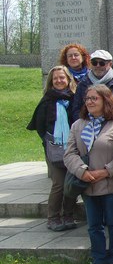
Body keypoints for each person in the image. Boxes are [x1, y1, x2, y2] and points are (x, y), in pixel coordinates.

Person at [63, 84, 113, 264]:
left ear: (105, 100)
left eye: (94, 98)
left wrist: (106, 171)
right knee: (94, 225)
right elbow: (70, 153)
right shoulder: (78, 125)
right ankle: (98, 259)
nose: (89, 102)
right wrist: (81, 171)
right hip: (87, 184)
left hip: (110, 184)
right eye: (87, 98)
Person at [27, 65, 78, 231]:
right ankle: (53, 217)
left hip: (73, 148)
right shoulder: (47, 101)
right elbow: (40, 126)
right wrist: (51, 142)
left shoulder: (74, 99)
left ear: (68, 79)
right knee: (59, 183)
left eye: (62, 77)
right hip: (53, 148)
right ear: (51, 81)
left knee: (71, 183)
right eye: (55, 78)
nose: (59, 81)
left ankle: (69, 214)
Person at [71, 50, 113, 116]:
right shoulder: (82, 84)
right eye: (94, 63)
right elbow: (76, 109)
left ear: (110, 64)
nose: (98, 66)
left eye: (102, 63)